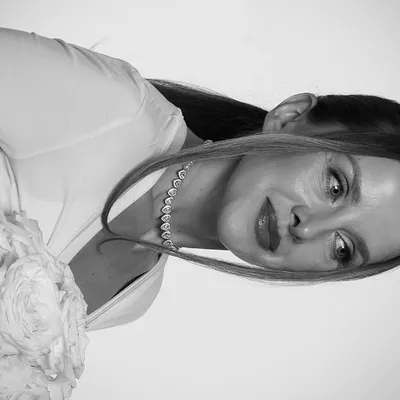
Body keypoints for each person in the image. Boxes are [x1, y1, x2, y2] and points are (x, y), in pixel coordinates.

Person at [1, 27, 400, 333]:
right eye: (335, 185)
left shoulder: (132, 298)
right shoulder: (113, 107)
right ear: (290, 117)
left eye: (343, 248)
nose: (308, 228)